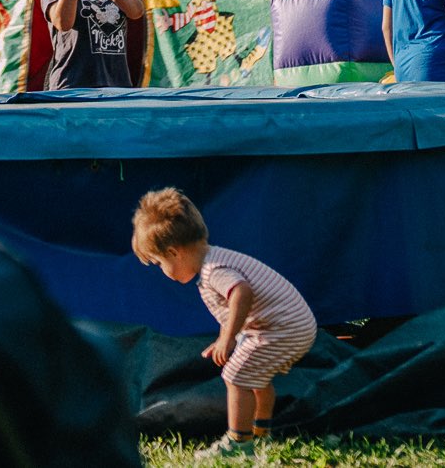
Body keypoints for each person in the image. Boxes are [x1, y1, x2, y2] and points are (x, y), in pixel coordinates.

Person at [131, 187, 316, 454]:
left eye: (159, 263)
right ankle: (261, 433)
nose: (162, 270)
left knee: (235, 376)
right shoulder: (216, 257)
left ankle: (239, 442)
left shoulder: (212, 270)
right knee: (256, 378)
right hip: (293, 326)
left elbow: (241, 292)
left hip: (282, 329)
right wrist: (231, 335)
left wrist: (227, 339)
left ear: (173, 252)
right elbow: (236, 307)